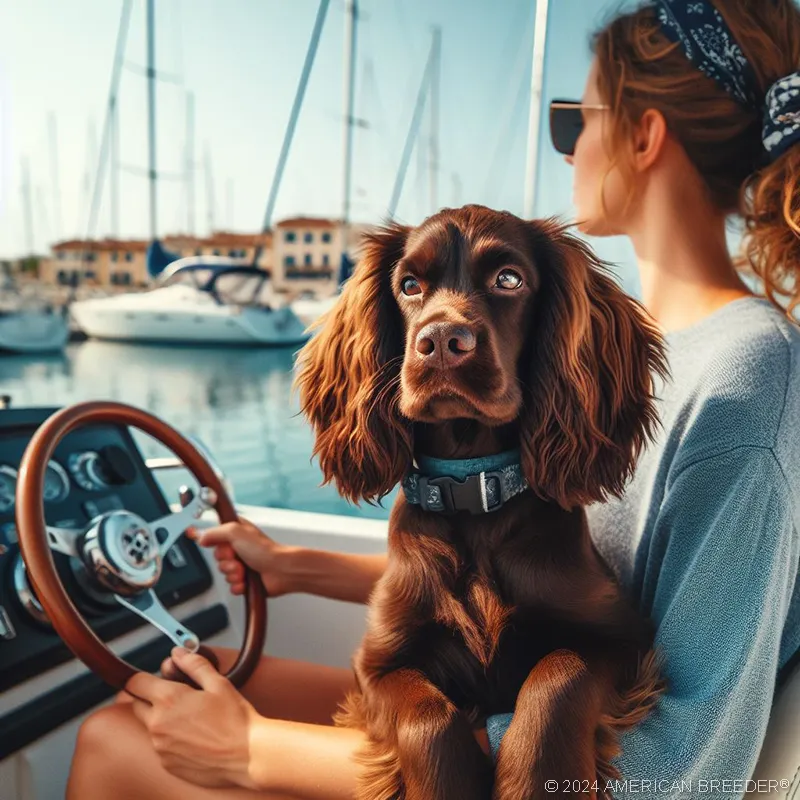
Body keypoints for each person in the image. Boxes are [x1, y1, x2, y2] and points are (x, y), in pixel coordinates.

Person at [67, 1, 800, 798]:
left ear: (642, 135)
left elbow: (689, 765)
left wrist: (257, 754)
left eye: (572, 122)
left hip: (552, 763)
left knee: (114, 740)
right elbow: (498, 570)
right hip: (487, 709)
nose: (568, 151)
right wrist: (297, 567)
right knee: (169, 690)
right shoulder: (634, 349)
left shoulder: (742, 382)